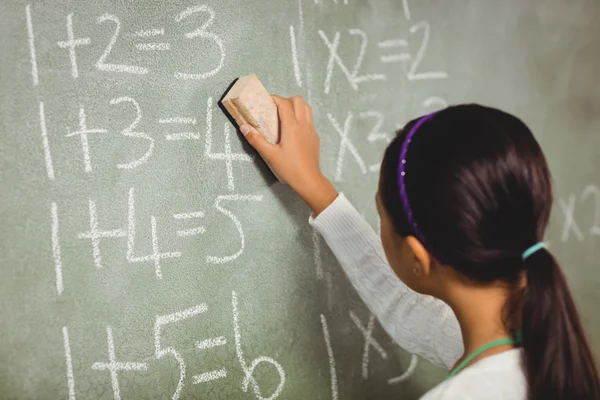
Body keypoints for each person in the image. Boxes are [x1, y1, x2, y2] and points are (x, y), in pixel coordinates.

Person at [239, 96, 600, 400]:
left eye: (380, 212)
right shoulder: (541, 343)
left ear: (417, 258)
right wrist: (315, 186)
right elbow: (415, 313)